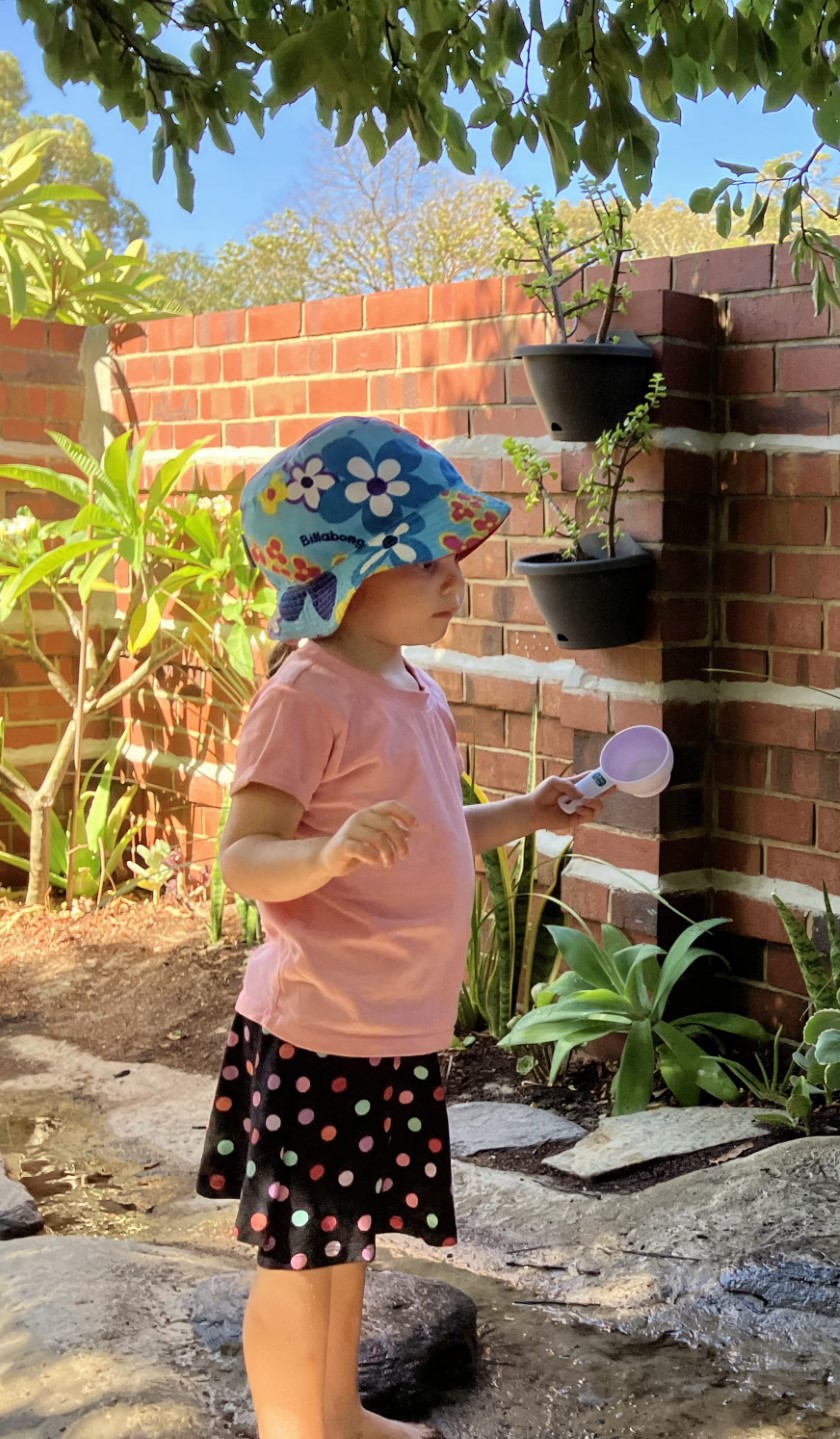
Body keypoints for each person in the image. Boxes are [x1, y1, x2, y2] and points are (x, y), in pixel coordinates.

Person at [195, 418, 606, 1439]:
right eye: (418, 558)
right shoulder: (306, 693)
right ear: (344, 572)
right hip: (318, 1027)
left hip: (388, 1028)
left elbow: (425, 835)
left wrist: (526, 812)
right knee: (302, 1254)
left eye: (450, 552)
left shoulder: (411, 687)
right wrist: (328, 855)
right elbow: (243, 854)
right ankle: (295, 1427)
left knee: (347, 1244)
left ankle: (337, 1410)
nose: (450, 574)